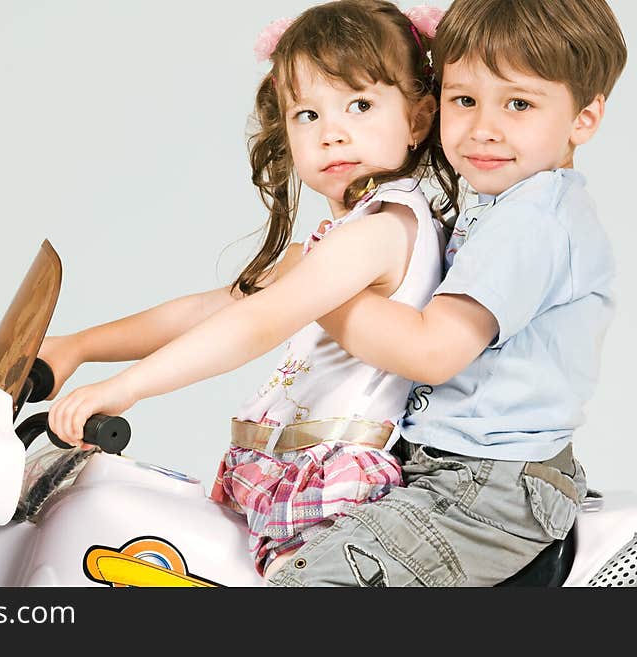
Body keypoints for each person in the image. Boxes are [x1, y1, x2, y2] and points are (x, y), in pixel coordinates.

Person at [41, 0, 455, 578]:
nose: (332, 133)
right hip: (294, 468)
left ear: (417, 118)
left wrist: (127, 387)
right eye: (307, 114)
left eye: (360, 105)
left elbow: (258, 323)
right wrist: (78, 345)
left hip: (335, 487)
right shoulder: (336, 238)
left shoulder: (383, 230)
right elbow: (209, 309)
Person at [258, 0, 628, 586]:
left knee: (308, 583)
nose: (483, 127)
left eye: (519, 104)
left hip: (485, 486)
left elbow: (432, 351)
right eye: (464, 100)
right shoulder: (501, 210)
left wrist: (315, 290)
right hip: (453, 470)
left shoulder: (532, 219)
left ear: (584, 117)